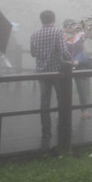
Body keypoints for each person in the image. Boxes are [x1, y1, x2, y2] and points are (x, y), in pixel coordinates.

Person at [29, 9, 68, 140]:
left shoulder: (34, 35)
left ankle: (46, 130)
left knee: (44, 101)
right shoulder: (58, 33)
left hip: (42, 72)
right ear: (54, 19)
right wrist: (72, 61)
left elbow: (33, 53)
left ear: (41, 20)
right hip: (57, 71)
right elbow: (64, 51)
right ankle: (63, 127)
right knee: (61, 99)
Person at [63, 19, 92, 119]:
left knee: (81, 88)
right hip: (66, 66)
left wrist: (84, 25)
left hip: (78, 65)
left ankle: (84, 110)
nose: (69, 28)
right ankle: (63, 110)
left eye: (72, 26)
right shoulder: (62, 37)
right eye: (67, 26)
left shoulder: (79, 35)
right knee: (65, 89)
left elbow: (90, 34)